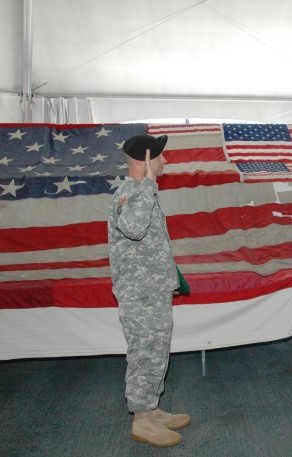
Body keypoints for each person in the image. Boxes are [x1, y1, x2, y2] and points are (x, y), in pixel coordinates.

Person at [108, 134, 191, 447]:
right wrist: (149, 183)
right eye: (160, 156)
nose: (165, 161)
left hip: (152, 290)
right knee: (144, 353)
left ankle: (151, 408)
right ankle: (141, 419)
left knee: (156, 352)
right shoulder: (129, 194)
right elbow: (133, 227)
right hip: (140, 294)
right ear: (145, 159)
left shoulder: (142, 193)